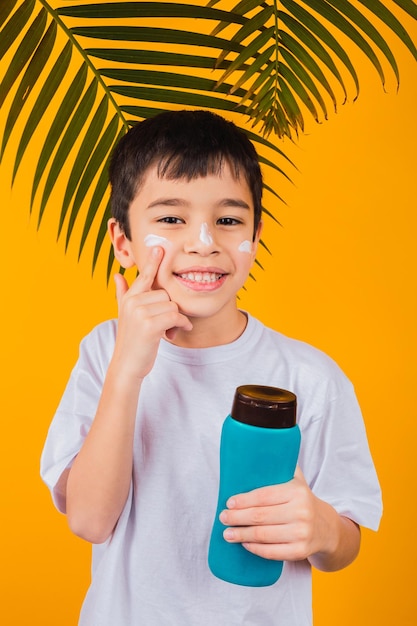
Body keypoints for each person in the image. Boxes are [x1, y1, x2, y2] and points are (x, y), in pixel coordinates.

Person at [40, 109, 382, 625]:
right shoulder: (103, 353)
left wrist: (323, 529)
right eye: (171, 218)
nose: (204, 241)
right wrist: (128, 368)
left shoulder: (310, 376)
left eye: (228, 220)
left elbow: (346, 542)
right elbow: (88, 520)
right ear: (122, 241)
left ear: (256, 233)